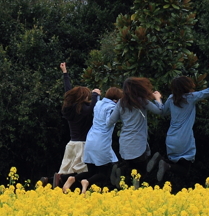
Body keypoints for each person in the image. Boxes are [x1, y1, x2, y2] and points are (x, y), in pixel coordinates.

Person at [158, 64, 209, 188]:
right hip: (184, 139)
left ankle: (163, 163)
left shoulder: (171, 99)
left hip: (171, 138)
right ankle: (165, 165)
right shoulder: (191, 98)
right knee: (185, 170)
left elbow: (163, 112)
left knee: (178, 170)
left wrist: (157, 98)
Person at [107, 77, 163, 186]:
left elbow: (110, 121)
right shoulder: (142, 101)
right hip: (138, 143)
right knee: (142, 172)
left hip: (124, 142)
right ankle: (129, 179)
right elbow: (159, 111)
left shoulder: (121, 103)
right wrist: (158, 99)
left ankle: (120, 169)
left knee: (130, 169)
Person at [57, 62, 98, 193]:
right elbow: (92, 108)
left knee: (69, 169)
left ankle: (64, 182)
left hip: (72, 144)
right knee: (87, 171)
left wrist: (65, 73)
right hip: (84, 145)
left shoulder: (69, 108)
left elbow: (68, 91)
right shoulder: (85, 109)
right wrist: (96, 94)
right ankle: (75, 181)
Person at [82, 86, 122, 191]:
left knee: (92, 171)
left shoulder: (98, 104)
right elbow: (109, 122)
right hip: (101, 142)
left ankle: (70, 179)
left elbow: (98, 103)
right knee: (104, 173)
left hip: (90, 139)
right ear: (116, 100)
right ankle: (87, 182)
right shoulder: (112, 107)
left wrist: (97, 95)